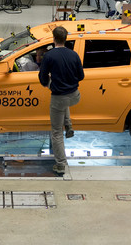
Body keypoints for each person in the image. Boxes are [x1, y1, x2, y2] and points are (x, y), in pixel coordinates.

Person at [38, 26, 84, 174]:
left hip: (59, 98)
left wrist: (48, 82)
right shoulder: (74, 54)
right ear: (66, 39)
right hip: (75, 95)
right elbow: (81, 76)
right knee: (64, 102)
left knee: (56, 133)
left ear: (53, 39)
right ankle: (69, 125)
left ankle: (61, 165)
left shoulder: (49, 56)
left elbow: (42, 77)